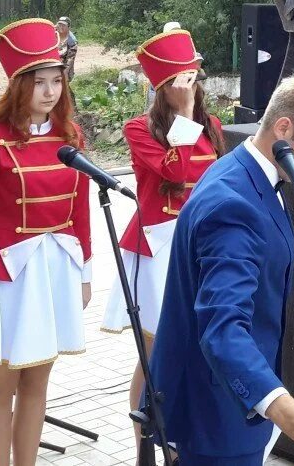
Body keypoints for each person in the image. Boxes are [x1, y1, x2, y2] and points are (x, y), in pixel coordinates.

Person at [149, 77, 294, 465]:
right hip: (219, 413)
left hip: (228, 406)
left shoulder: (243, 171)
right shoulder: (234, 205)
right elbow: (223, 326)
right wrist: (281, 406)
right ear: (284, 129)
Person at [0, 18, 92, 466]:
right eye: (39, 82)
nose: (50, 92)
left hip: (55, 273)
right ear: (18, 86)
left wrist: (86, 272)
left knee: (37, 382)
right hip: (8, 278)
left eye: (56, 81)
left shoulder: (71, 138)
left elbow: (82, 211)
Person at [101, 29, 226, 455]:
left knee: (195, 346)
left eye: (193, 77)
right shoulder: (139, 129)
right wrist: (187, 114)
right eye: (180, 79)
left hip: (202, 242)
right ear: (163, 87)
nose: (190, 85)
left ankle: (181, 436)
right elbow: (174, 174)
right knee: (155, 351)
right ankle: (145, 442)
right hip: (158, 247)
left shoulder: (213, 126)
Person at [55, 17, 77, 81]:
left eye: (63, 25)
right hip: (52, 69)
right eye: (59, 24)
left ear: (68, 27)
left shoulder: (72, 41)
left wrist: (64, 74)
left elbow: (70, 60)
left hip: (63, 71)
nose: (61, 27)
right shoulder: (53, 33)